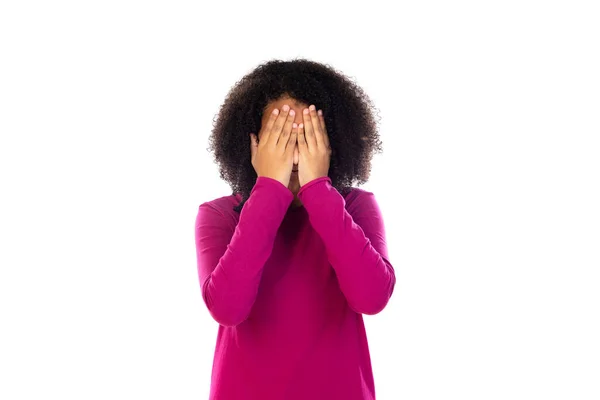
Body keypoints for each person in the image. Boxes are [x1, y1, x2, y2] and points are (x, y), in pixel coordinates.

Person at [195, 58, 396, 400]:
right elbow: (228, 308)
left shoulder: (357, 207)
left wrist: (317, 188)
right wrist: (269, 187)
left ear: (330, 143)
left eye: (307, 136)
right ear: (253, 144)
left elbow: (372, 298)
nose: (293, 152)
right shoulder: (219, 215)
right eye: (279, 136)